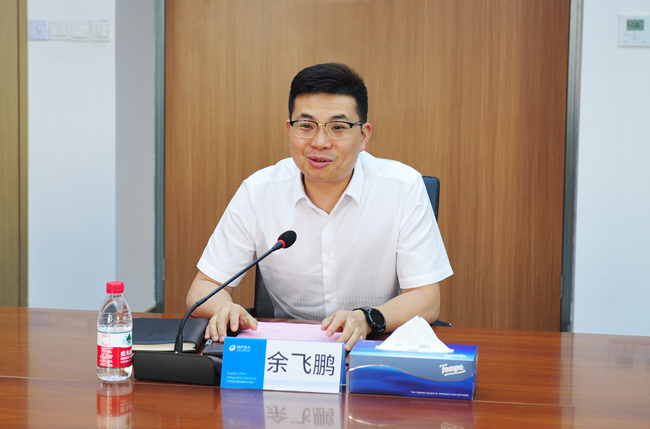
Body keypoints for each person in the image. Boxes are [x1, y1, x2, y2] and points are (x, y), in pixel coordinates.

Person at [186, 63, 453, 351]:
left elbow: (426, 298)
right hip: (286, 352)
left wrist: (367, 319)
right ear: (289, 130)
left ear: (363, 136)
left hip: (372, 346)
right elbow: (203, 287)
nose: (320, 142)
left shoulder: (403, 187)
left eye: (338, 127)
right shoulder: (258, 191)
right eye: (306, 126)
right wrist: (224, 308)